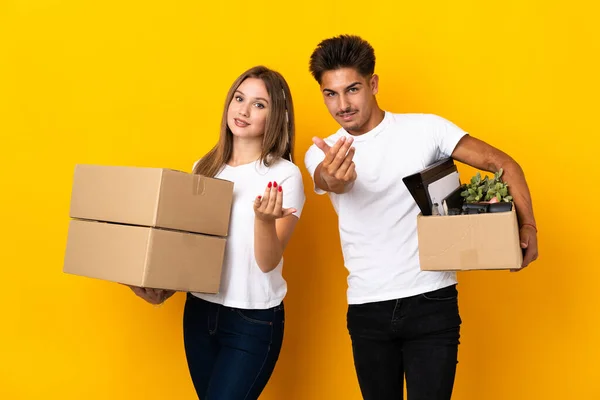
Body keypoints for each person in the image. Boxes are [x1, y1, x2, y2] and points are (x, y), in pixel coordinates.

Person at [304, 35, 538, 400]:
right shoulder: (324, 152)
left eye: (352, 89)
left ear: (374, 83)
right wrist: (335, 177)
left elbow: (504, 163)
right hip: (367, 307)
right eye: (330, 94)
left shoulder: (427, 129)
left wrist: (527, 227)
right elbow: (329, 179)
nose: (343, 105)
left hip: (432, 301)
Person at [131, 65, 305, 400]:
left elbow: (268, 262)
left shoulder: (284, 176)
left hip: (253, 321)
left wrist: (264, 221)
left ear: (277, 116)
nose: (243, 110)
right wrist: (164, 289)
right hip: (199, 312)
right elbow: (192, 248)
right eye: (239, 98)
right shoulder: (205, 167)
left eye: (259, 104)